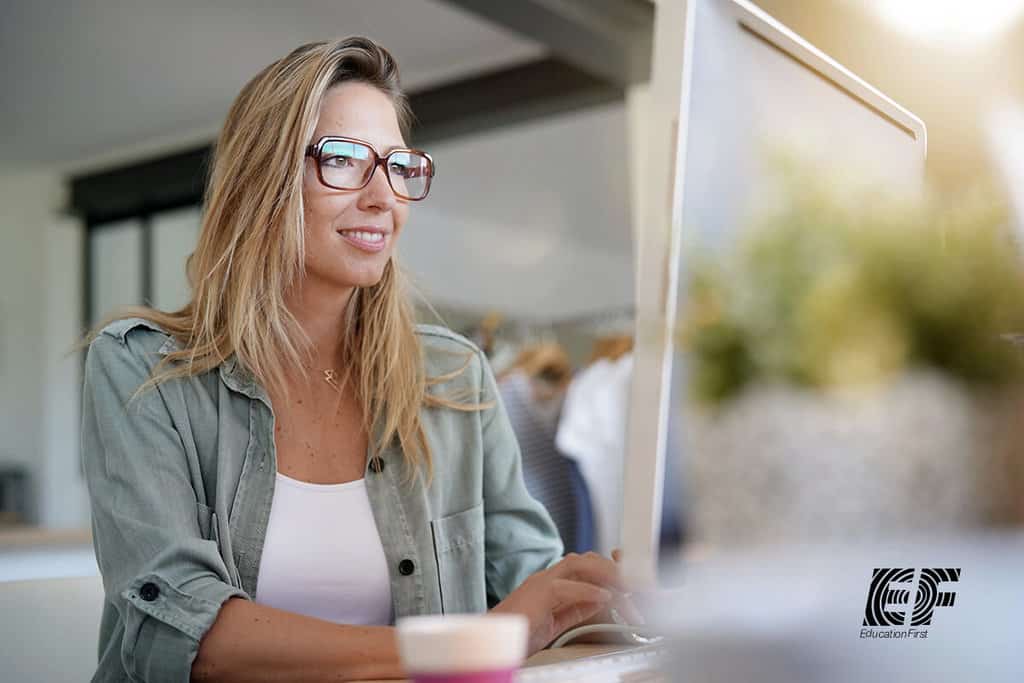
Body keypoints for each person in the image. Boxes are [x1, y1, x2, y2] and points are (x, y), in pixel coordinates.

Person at [81, 37, 631, 682]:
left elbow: (529, 586)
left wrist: (601, 604)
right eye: (342, 161)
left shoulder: (455, 380)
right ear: (264, 178)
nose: (383, 197)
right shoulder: (141, 369)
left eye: (400, 167)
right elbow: (179, 634)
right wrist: (474, 642)